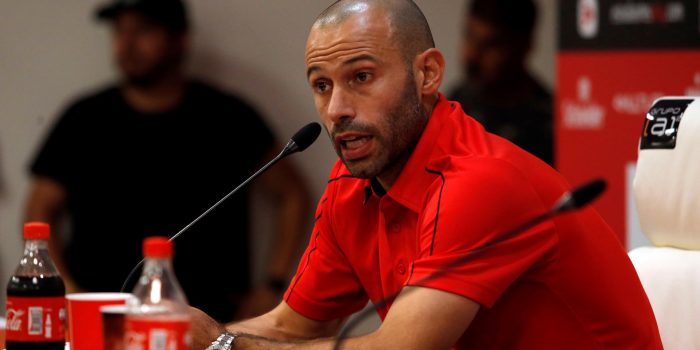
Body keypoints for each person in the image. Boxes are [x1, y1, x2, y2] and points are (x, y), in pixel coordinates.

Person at [191, 0, 663, 348]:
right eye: (321, 85)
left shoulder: (481, 182)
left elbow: (402, 349)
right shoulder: (352, 183)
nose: (336, 109)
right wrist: (171, 335)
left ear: (428, 74)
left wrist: (222, 344)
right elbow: (292, 326)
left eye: (361, 77)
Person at [24, 0, 311, 323]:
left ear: (180, 40)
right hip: (102, 318)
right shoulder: (83, 119)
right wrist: (66, 288)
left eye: (144, 30)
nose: (127, 45)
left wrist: (271, 285)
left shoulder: (229, 117)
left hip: (211, 321)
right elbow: (40, 210)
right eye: (120, 32)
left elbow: (292, 195)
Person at [449, 0, 553, 165]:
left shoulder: (547, 123)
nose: (472, 55)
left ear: (524, 46)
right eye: (469, 36)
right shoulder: (456, 104)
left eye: (490, 45)